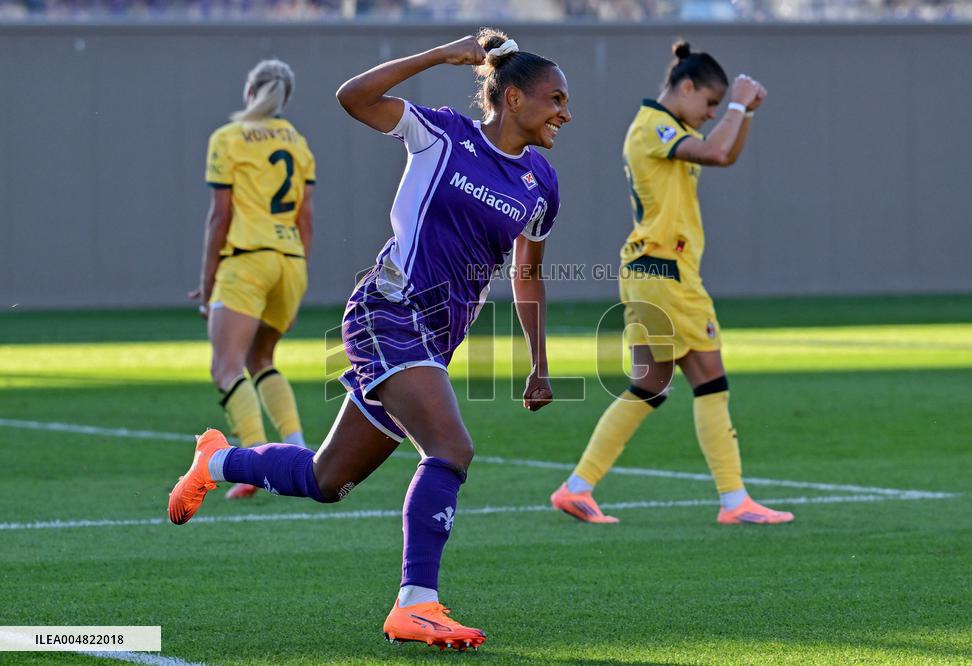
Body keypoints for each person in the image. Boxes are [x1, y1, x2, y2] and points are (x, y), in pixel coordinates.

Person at [169, 28, 569, 651]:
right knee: (451, 449)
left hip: (435, 341)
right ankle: (417, 604)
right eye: (555, 98)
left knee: (327, 480)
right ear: (513, 98)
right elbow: (353, 96)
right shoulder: (440, 134)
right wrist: (441, 55)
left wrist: (538, 363)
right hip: (388, 313)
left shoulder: (540, 184)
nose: (565, 112)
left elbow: (528, 273)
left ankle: (215, 461)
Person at [551, 41, 793, 526]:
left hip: (647, 273)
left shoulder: (667, 129)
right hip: (666, 272)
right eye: (709, 104)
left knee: (650, 385)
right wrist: (740, 105)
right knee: (710, 382)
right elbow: (718, 152)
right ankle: (734, 501)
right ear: (685, 87)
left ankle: (578, 486)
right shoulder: (654, 125)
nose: (709, 115)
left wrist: (742, 115)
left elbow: (723, 153)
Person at [190, 59, 315, 500]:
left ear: (249, 90)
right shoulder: (297, 142)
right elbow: (306, 219)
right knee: (262, 357)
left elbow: (219, 216)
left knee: (225, 366)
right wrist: (295, 285)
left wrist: (208, 283)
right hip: (290, 262)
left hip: (247, 259)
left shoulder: (226, 138)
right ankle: (297, 447)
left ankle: (254, 462)